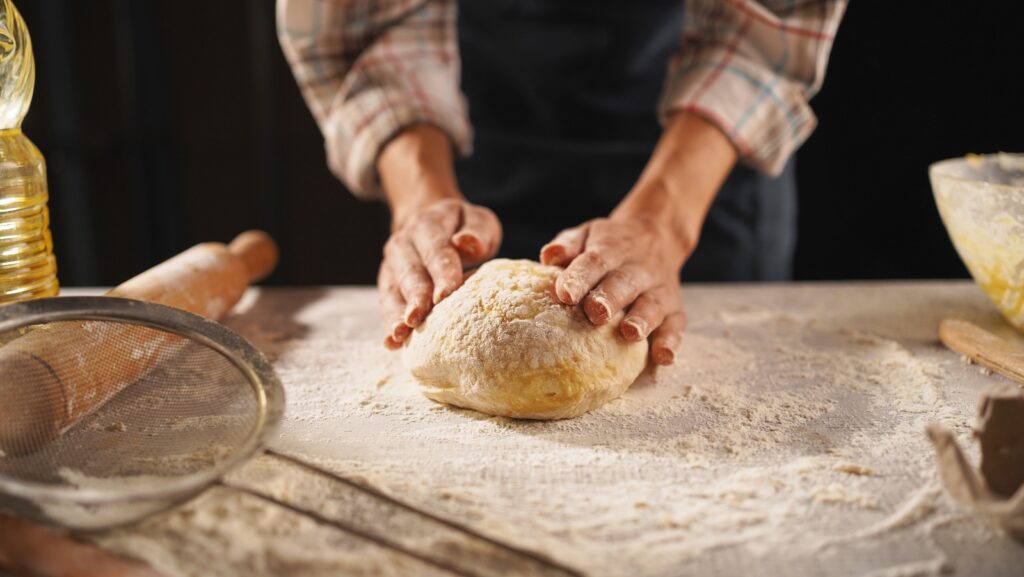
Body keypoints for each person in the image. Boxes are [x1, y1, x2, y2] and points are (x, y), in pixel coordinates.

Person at [278, 0, 846, 364]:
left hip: (706, 152)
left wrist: (663, 222)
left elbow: (768, 26)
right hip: (475, 122)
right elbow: (365, 20)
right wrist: (422, 198)